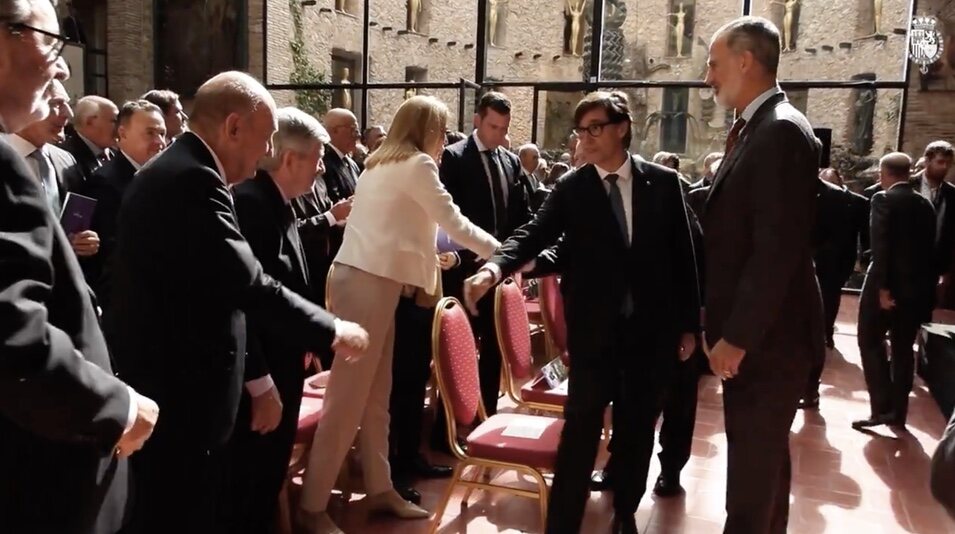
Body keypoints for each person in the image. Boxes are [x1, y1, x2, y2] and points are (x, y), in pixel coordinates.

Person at [104, 71, 369, 534]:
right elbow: (247, 281)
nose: (266, 154)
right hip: (180, 391)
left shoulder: (187, 171)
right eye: (264, 140)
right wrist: (332, 329)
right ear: (232, 127)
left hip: (184, 386)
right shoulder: (193, 179)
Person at [464, 90, 700, 534]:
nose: (585, 138)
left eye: (595, 128)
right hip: (594, 335)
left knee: (635, 432)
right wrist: (495, 267)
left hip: (650, 334)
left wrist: (689, 324)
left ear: (621, 128)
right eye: (580, 130)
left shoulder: (663, 184)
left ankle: (626, 512)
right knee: (580, 431)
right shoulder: (573, 188)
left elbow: (682, 257)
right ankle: (563, 523)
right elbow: (533, 233)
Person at [299, 95, 500, 534]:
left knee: (375, 396)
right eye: (442, 131)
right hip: (369, 285)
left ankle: (380, 486)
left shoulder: (379, 163)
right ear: (424, 129)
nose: (446, 140)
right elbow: (455, 224)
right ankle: (312, 507)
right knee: (349, 399)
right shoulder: (416, 165)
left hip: (369, 282)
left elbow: (406, 228)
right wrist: (504, 255)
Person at [0, 1, 158, 532]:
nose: (65, 67)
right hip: (37, 477)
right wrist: (116, 408)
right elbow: (12, 338)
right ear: (6, 38)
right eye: (53, 44)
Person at [702, 17, 824, 533]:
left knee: (750, 486)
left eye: (714, 63)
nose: (708, 77)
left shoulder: (778, 130)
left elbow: (773, 250)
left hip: (767, 344)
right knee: (764, 470)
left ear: (745, 61)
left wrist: (736, 336)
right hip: (768, 339)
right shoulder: (761, 125)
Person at [224, 107, 333, 533]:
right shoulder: (252, 204)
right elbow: (248, 300)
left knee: (267, 479)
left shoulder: (279, 202)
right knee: (250, 483)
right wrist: (262, 381)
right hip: (261, 375)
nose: (322, 169)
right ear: (291, 159)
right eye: (318, 159)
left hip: (284, 363)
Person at [439, 91, 531, 417]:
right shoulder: (454, 157)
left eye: (505, 129)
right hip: (462, 270)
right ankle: (446, 424)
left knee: (494, 347)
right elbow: (448, 218)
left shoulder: (511, 161)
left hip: (499, 270)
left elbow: (521, 216)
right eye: (494, 127)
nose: (500, 135)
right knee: (457, 349)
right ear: (478, 120)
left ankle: (485, 414)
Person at [853, 153, 936, 430]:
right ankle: (898, 412)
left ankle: (881, 407)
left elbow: (881, 246)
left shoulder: (883, 199)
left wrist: (883, 288)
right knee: (902, 350)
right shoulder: (925, 203)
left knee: (869, 340)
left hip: (885, 286)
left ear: (884, 173)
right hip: (915, 290)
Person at [83, 100, 167, 308]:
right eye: (150, 133)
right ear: (123, 133)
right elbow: (110, 254)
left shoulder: (162, 177)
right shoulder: (105, 183)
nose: (160, 142)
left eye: (163, 133)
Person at [5, 79, 100, 259]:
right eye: (56, 104)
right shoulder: (5, 158)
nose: (68, 113)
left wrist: (86, 241)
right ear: (25, 106)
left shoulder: (66, 160)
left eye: (66, 104)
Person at [802, 168, 869, 408]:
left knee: (818, 323)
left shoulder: (842, 200)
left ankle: (810, 389)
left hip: (826, 266)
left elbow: (841, 237)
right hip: (804, 266)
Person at [59, 94, 117, 184]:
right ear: (90, 121)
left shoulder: (117, 155)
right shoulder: (65, 159)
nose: (120, 127)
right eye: (114, 121)